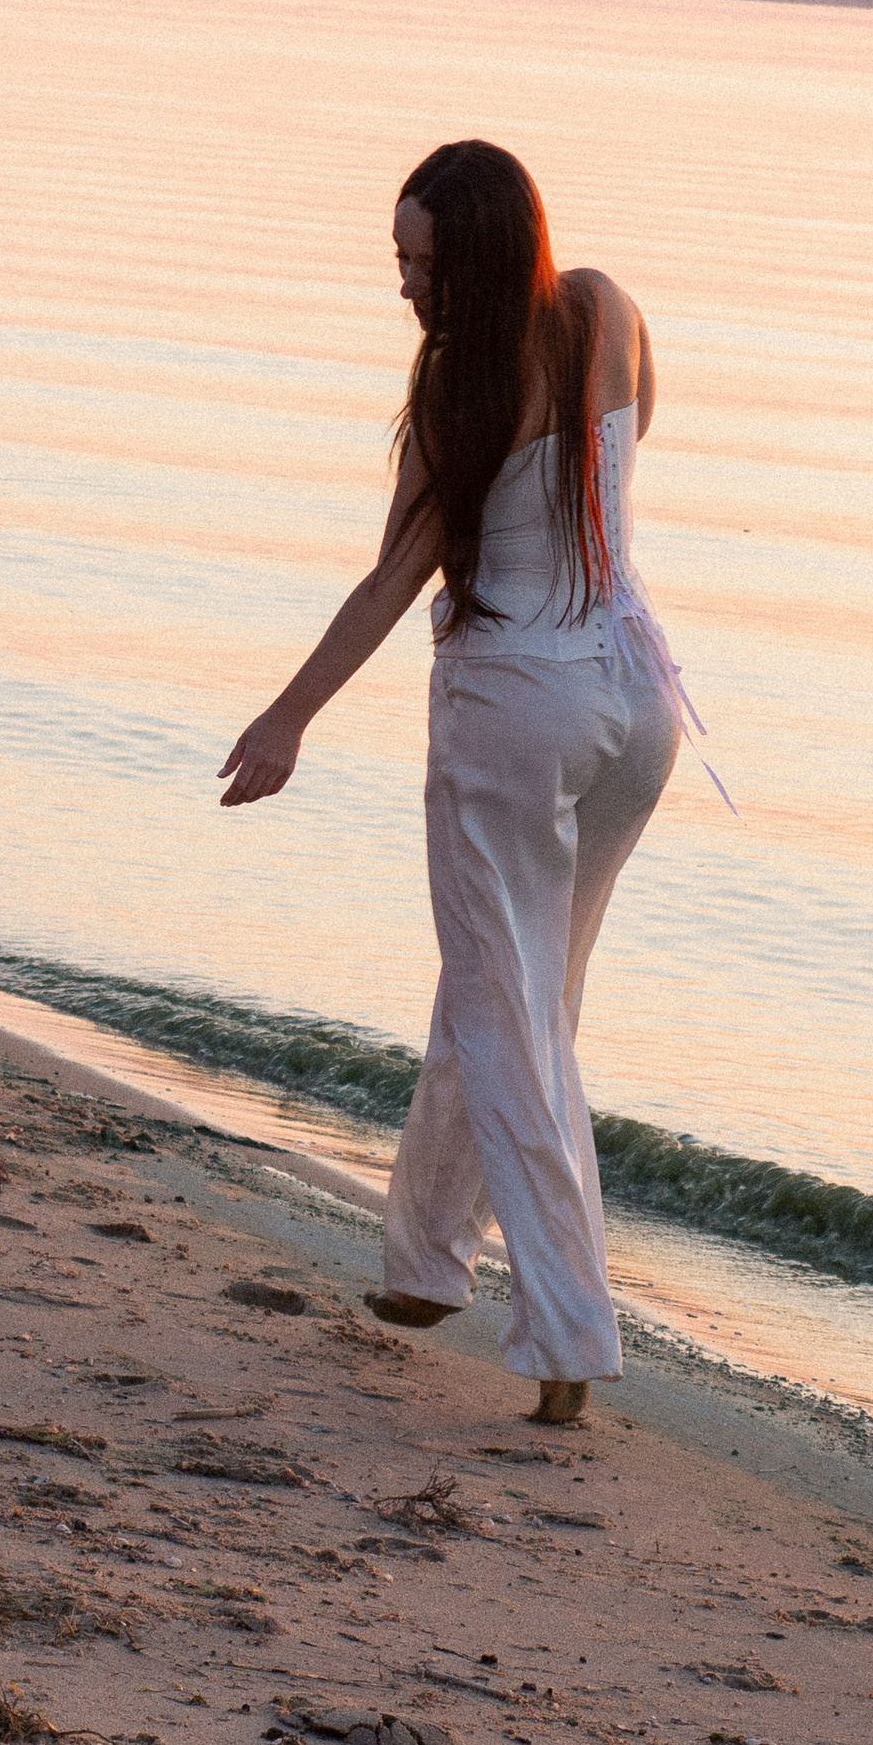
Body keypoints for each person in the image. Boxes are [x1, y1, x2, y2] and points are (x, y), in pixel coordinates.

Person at [219, 137, 687, 1427]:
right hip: (635, 699)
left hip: (511, 709)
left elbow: (391, 583)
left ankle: (566, 1337)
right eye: (400, 264)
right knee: (515, 991)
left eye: (421, 265)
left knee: (509, 1018)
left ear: (474, 259)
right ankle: (426, 1262)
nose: (406, 291)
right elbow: (636, 431)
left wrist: (286, 717)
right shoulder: (606, 311)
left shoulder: (458, 392)